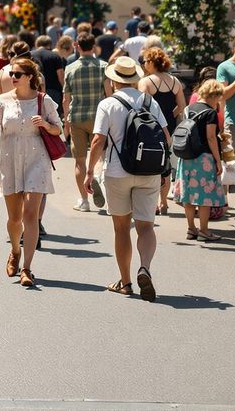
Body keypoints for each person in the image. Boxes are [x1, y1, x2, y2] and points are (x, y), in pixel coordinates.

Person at [0, 57, 62, 288]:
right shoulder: (2, 100)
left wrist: (46, 126)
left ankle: (27, 268)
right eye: (11, 73)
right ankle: (15, 251)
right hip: (9, 158)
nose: (13, 77)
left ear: (30, 77)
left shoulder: (43, 100)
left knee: (31, 215)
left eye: (17, 74)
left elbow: (58, 128)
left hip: (37, 158)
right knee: (14, 218)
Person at [84, 56, 168, 301]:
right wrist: (163, 170)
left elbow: (98, 140)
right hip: (149, 171)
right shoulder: (149, 101)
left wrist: (90, 172)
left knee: (122, 228)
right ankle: (145, 268)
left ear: (113, 79)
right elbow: (165, 135)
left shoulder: (107, 104)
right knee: (146, 226)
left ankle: (126, 282)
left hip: (117, 172)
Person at [172, 79, 226, 241]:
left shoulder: (189, 109)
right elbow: (211, 137)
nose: (218, 101)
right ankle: (203, 230)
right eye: (218, 97)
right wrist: (218, 160)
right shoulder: (210, 113)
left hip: (187, 156)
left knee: (188, 195)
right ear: (214, 95)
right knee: (205, 196)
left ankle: (191, 229)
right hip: (204, 159)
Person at [63, 34, 108, 211]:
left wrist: (66, 121)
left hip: (77, 117)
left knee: (79, 161)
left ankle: (84, 201)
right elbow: (108, 93)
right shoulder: (103, 67)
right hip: (99, 117)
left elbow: (66, 98)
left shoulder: (70, 68)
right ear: (94, 46)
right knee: (101, 156)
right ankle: (96, 177)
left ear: (78, 46)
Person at [138, 46, 185, 215]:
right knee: (166, 165)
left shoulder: (145, 82)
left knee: (153, 163)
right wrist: (169, 117)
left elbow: (142, 107)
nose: (143, 64)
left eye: (145, 61)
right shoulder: (175, 81)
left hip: (153, 128)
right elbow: (181, 106)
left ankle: (153, 202)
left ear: (151, 62)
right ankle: (163, 202)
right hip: (170, 128)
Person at [215, 34, 235, 189]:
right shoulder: (224, 67)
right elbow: (222, 95)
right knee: (230, 167)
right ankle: (223, 205)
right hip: (233, 123)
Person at [30, 36, 66, 115]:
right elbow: (61, 76)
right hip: (53, 91)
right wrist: (65, 90)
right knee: (53, 116)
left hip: (34, 90)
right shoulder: (55, 56)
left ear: (37, 44)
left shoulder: (30, 55)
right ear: (50, 45)